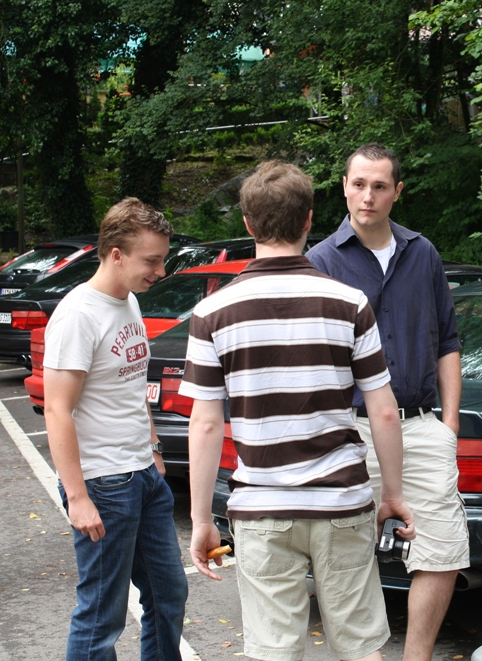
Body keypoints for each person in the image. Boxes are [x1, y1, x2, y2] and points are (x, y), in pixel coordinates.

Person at [182, 161, 416, 661]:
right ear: (309, 219)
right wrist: (393, 495)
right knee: (362, 647)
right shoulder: (350, 303)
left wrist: (201, 518)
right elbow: (383, 411)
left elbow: (205, 423)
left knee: (275, 651)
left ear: (247, 224)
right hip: (341, 502)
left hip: (262, 507)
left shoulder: (211, 313)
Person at [306, 143, 468, 661]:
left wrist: (449, 425)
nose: (368, 196)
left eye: (379, 186)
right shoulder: (320, 261)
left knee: (443, 551)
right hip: (349, 431)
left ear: (397, 191)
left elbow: (447, 341)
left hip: (420, 426)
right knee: (344, 560)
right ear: (344, 187)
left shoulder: (422, 253)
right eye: (359, 184)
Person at [43, 198, 187, 660]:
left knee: (169, 594)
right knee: (101, 616)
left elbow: (132, 383)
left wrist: (154, 448)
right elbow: (57, 410)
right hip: (103, 484)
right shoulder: (78, 315)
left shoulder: (128, 301)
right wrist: (78, 496)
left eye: (162, 260)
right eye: (151, 261)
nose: (160, 271)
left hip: (143, 474)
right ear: (117, 255)